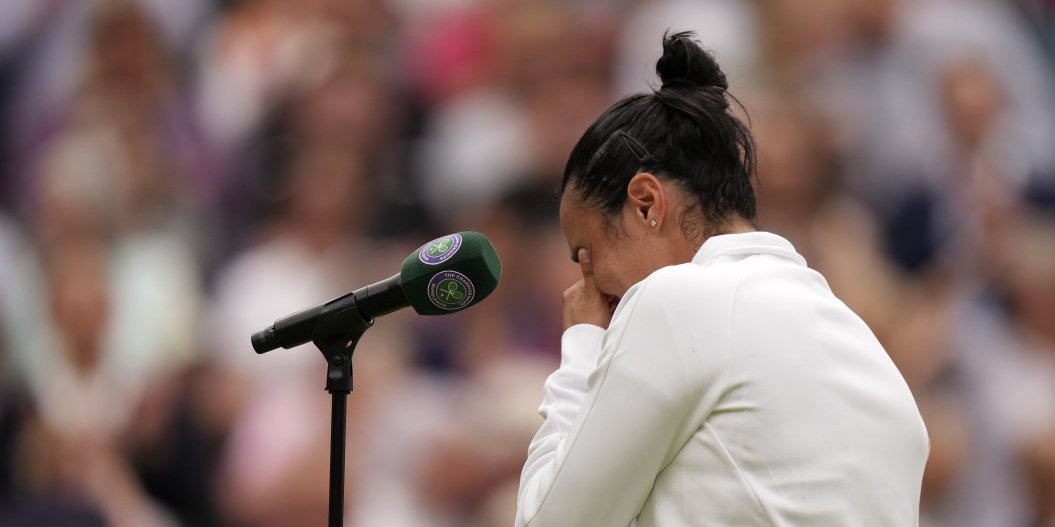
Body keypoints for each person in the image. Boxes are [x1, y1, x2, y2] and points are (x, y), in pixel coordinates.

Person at [514, 31, 929, 527]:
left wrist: (581, 345)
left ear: (647, 203)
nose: (587, 287)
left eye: (586, 255)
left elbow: (545, 521)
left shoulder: (675, 300)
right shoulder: (857, 340)